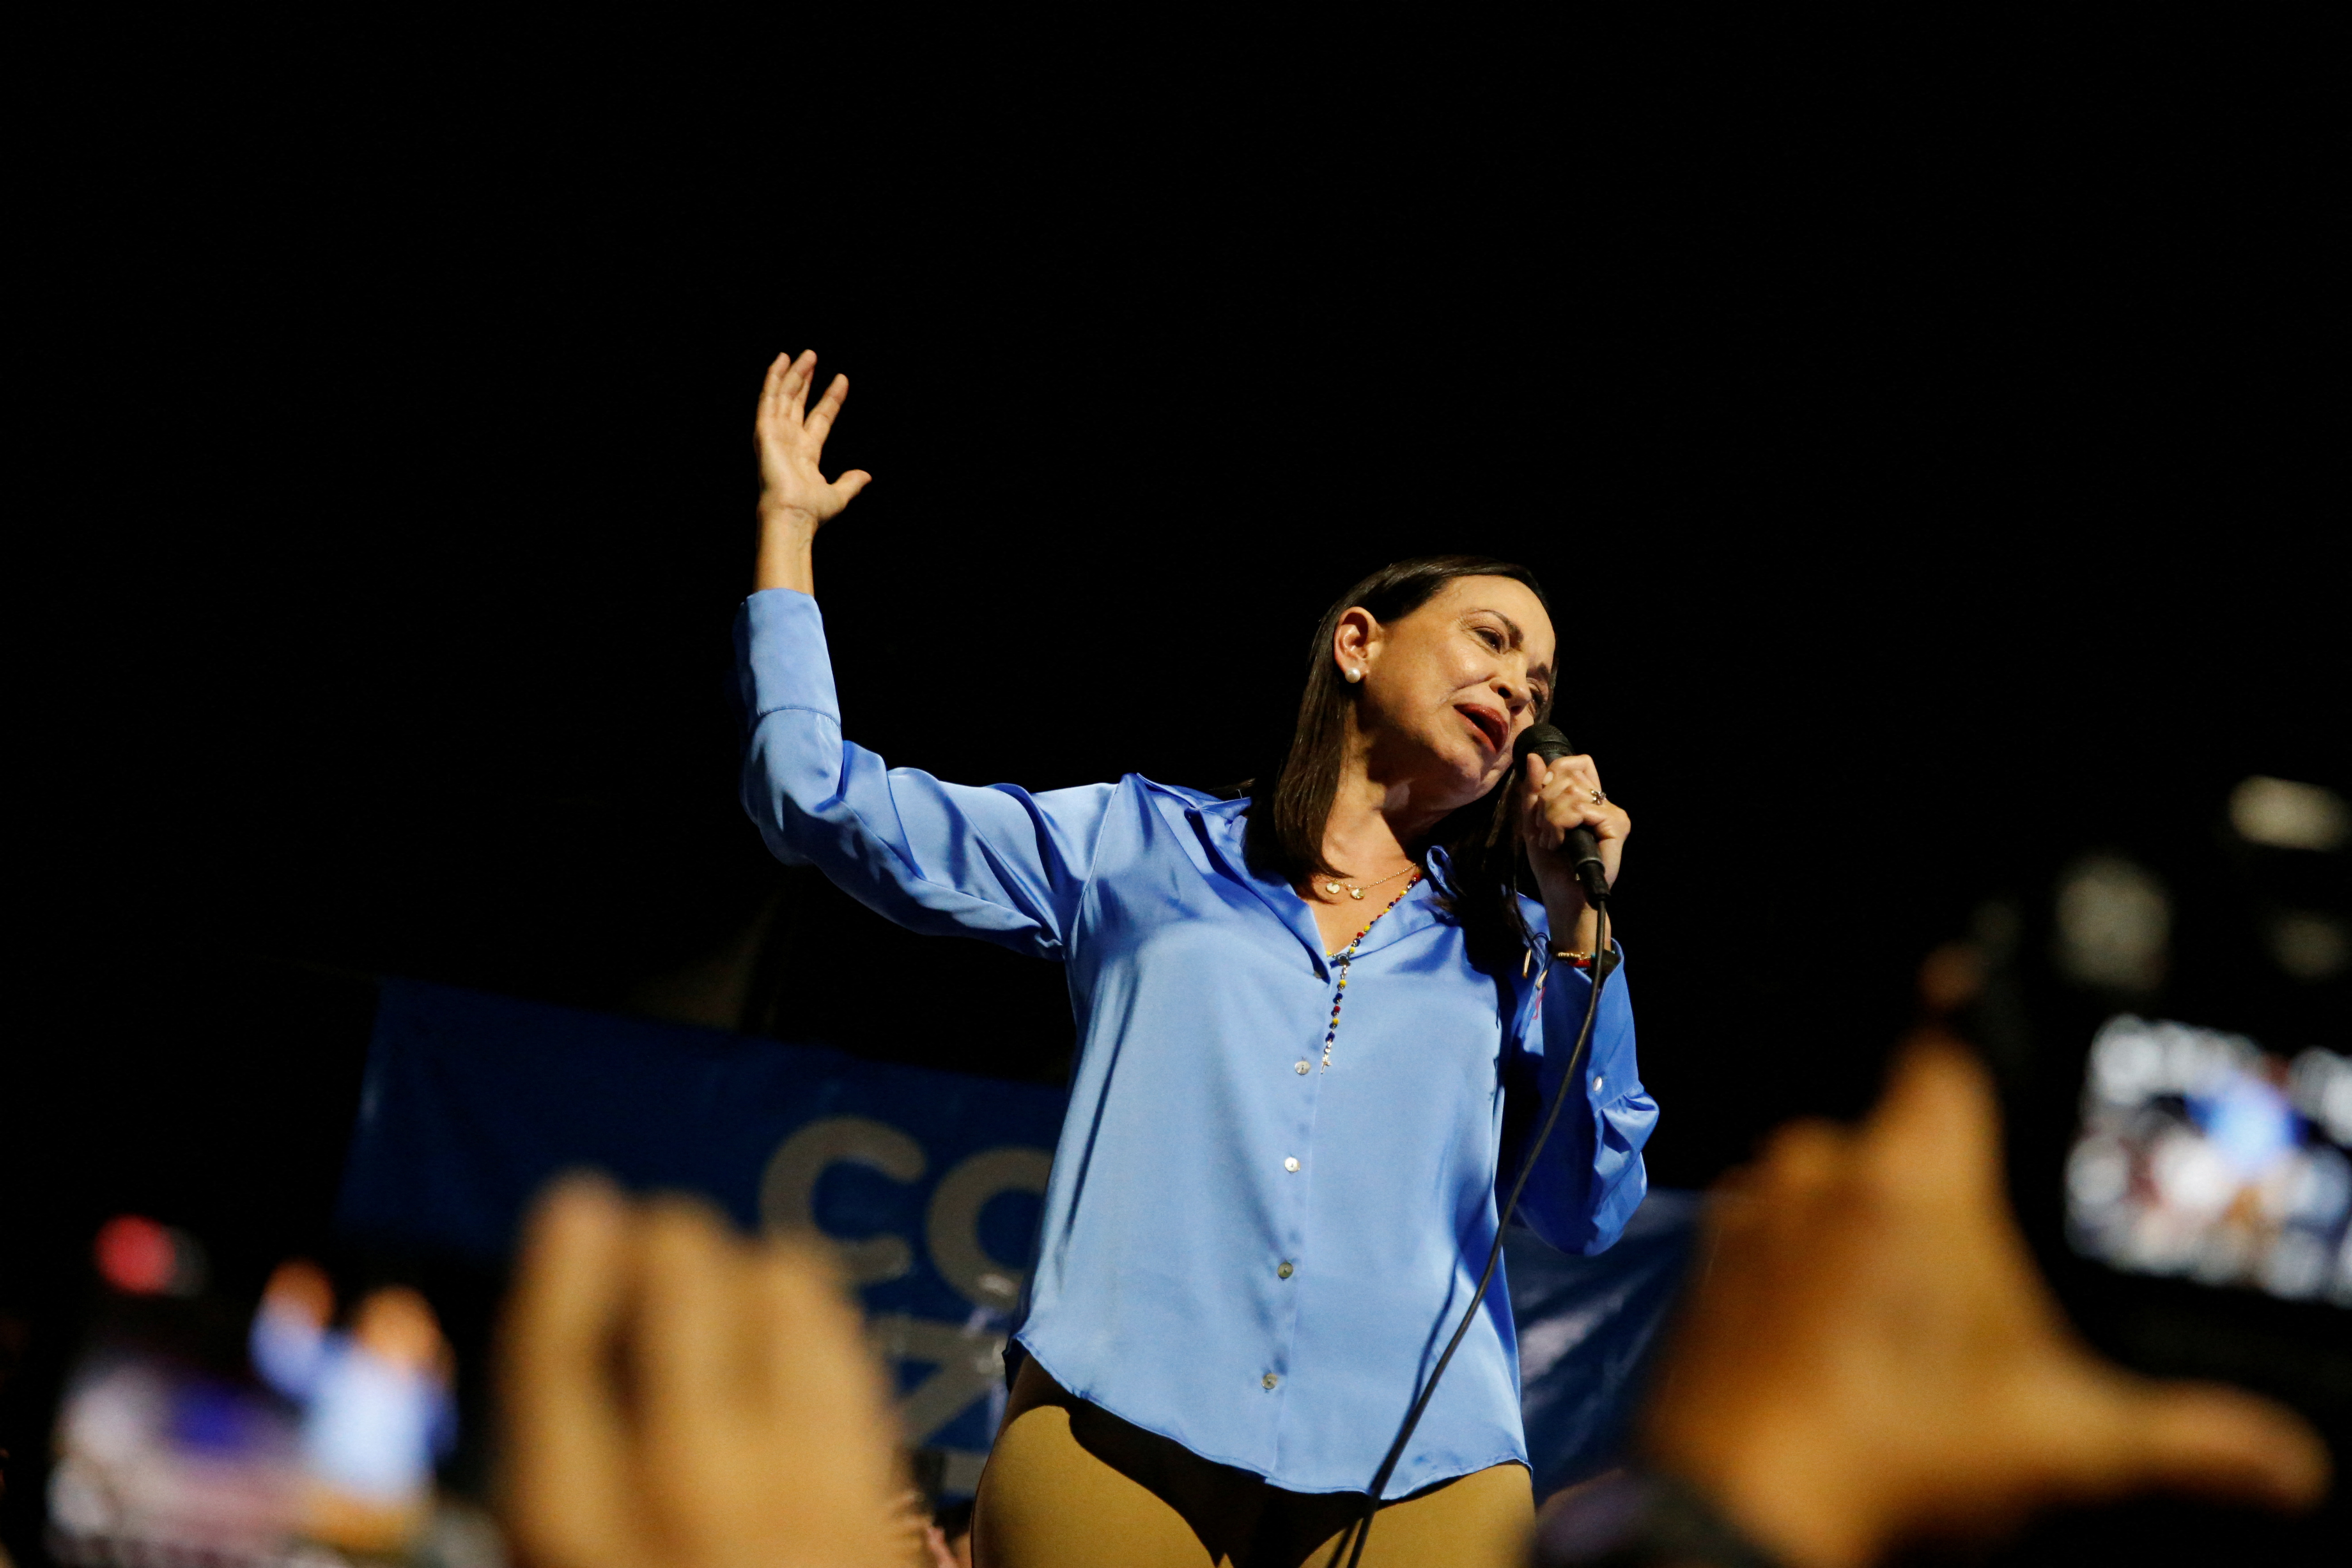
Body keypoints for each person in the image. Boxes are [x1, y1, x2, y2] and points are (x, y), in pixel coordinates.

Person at [739, 350, 1652, 1568]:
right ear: (1359, 643)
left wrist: (1582, 928)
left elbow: (1586, 1208)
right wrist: (786, 532)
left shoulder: (1518, 949)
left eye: (1539, 684)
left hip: (1426, 1466)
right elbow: (815, 798)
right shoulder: (1140, 846)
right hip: (1123, 1423)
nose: (1519, 688)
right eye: (1490, 640)